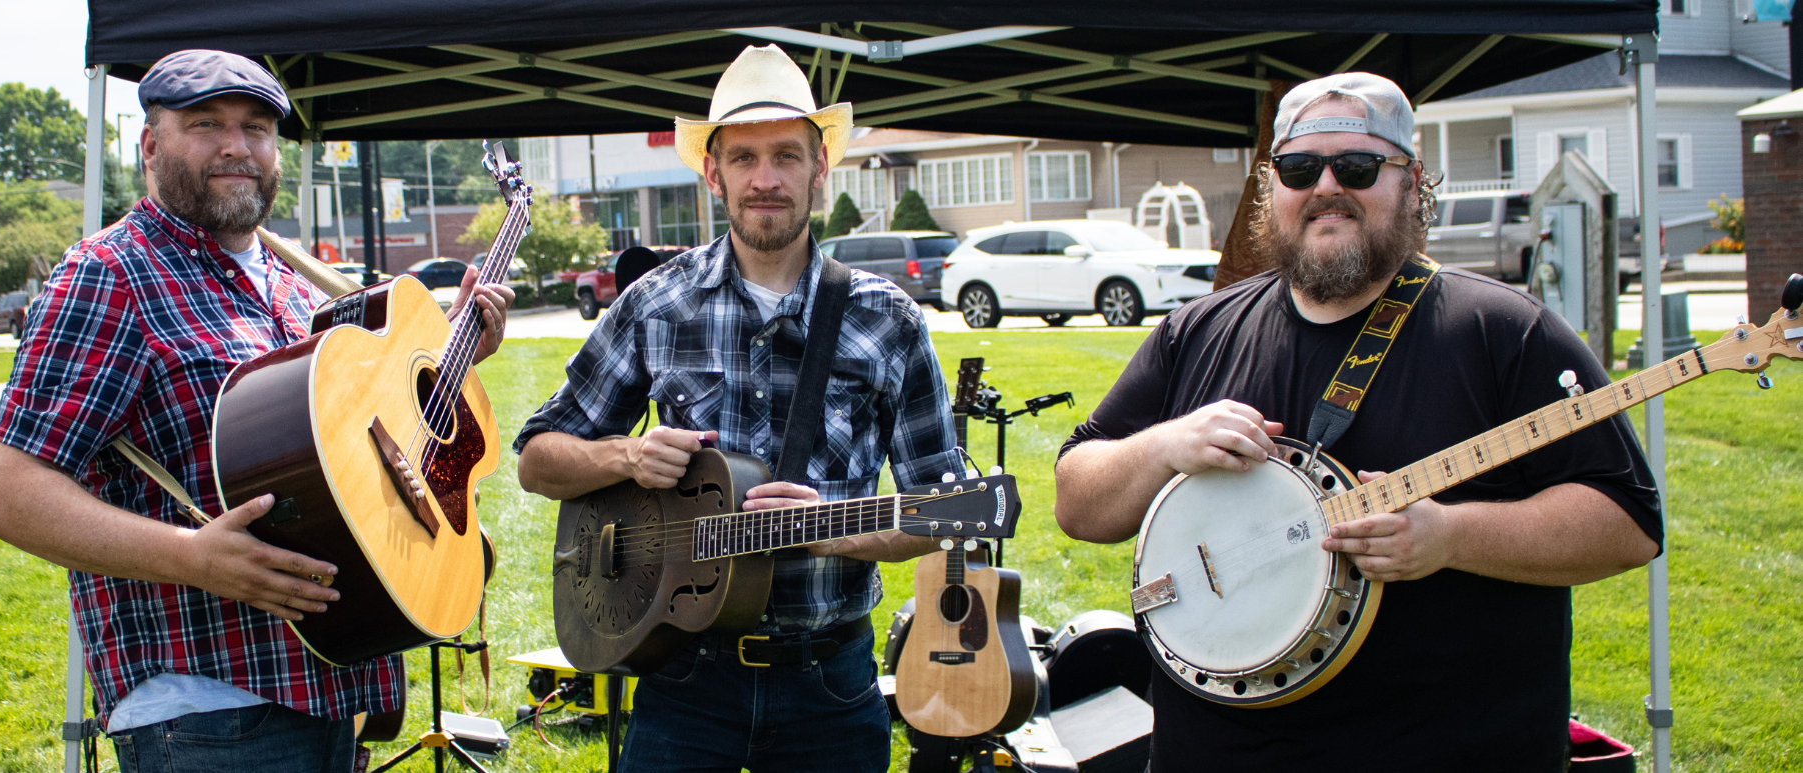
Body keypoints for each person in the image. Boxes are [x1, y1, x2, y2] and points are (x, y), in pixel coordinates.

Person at [1051, 73, 1661, 771]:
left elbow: (1627, 523)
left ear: (1410, 182)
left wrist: (1451, 536)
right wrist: (1164, 445)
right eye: (1300, 168)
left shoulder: (1505, 332)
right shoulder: (1197, 330)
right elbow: (1076, 499)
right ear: (1270, 186)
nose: (1326, 187)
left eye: (1359, 167)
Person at [0, 49, 514, 772]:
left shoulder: (291, 289)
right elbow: (5, 491)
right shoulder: (111, 275)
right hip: (204, 710)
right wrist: (194, 558)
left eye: (257, 127)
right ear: (150, 146)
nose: (236, 145)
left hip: (334, 689)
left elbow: (350, 456)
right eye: (206, 124)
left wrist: (451, 363)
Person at [513, 45, 961, 773]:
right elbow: (538, 457)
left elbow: (943, 509)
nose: (765, 179)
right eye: (745, 156)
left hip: (829, 682)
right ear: (712, 170)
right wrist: (626, 454)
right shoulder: (656, 303)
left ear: (821, 167)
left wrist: (835, 534)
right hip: (683, 677)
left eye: (787, 155)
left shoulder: (890, 319)